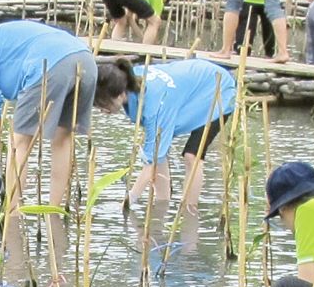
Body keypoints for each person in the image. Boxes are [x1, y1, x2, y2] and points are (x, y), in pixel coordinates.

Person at [0, 20, 96, 212]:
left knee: (19, 142)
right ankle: (54, 211)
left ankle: (11, 213)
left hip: (49, 65)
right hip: (85, 59)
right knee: (62, 139)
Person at [95, 58, 236, 212]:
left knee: (192, 156)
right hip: (191, 82)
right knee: (158, 151)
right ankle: (162, 205)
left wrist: (128, 202)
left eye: (103, 104)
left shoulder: (154, 106)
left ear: (120, 94)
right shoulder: (127, 77)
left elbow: (150, 165)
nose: (102, 111)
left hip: (217, 88)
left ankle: (190, 213)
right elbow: (157, 154)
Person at [235, 0, 314, 57]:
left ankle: (270, 61)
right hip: (248, 1)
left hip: (270, 3)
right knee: (243, 46)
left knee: (270, 47)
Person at [100, 0, 172, 45]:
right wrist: (154, 44)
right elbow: (154, 23)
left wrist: (142, 39)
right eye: (164, 1)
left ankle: (114, 46)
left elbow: (129, 18)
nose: (162, 4)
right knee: (155, 21)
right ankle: (146, 51)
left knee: (121, 20)